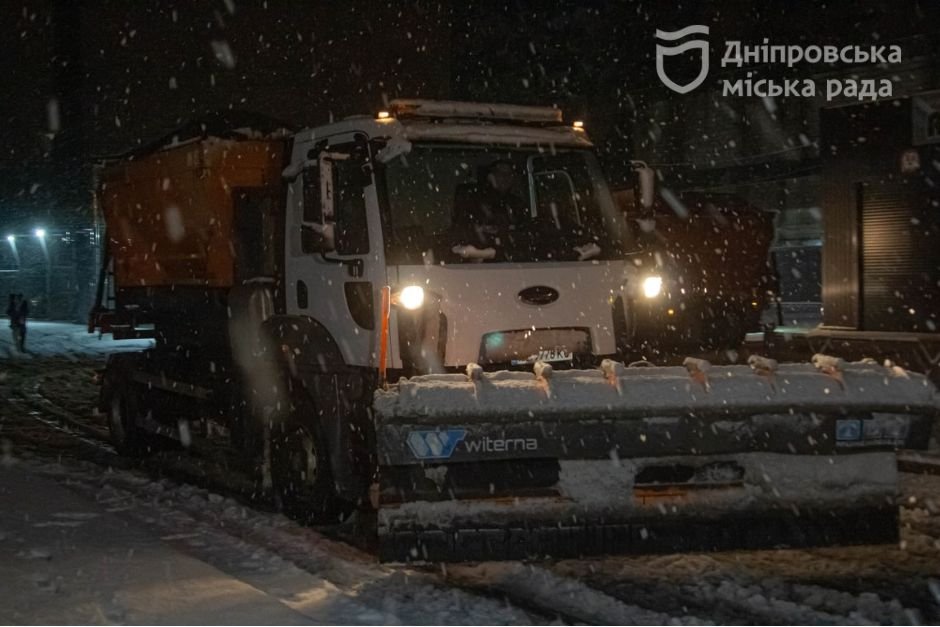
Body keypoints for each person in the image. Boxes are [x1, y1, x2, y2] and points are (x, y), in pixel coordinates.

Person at [452, 159, 528, 258]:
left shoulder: (517, 204)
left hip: (517, 264)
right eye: (500, 173)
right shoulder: (474, 201)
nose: (506, 178)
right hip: (480, 265)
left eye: (510, 174)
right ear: (490, 176)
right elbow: (464, 236)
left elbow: (524, 234)